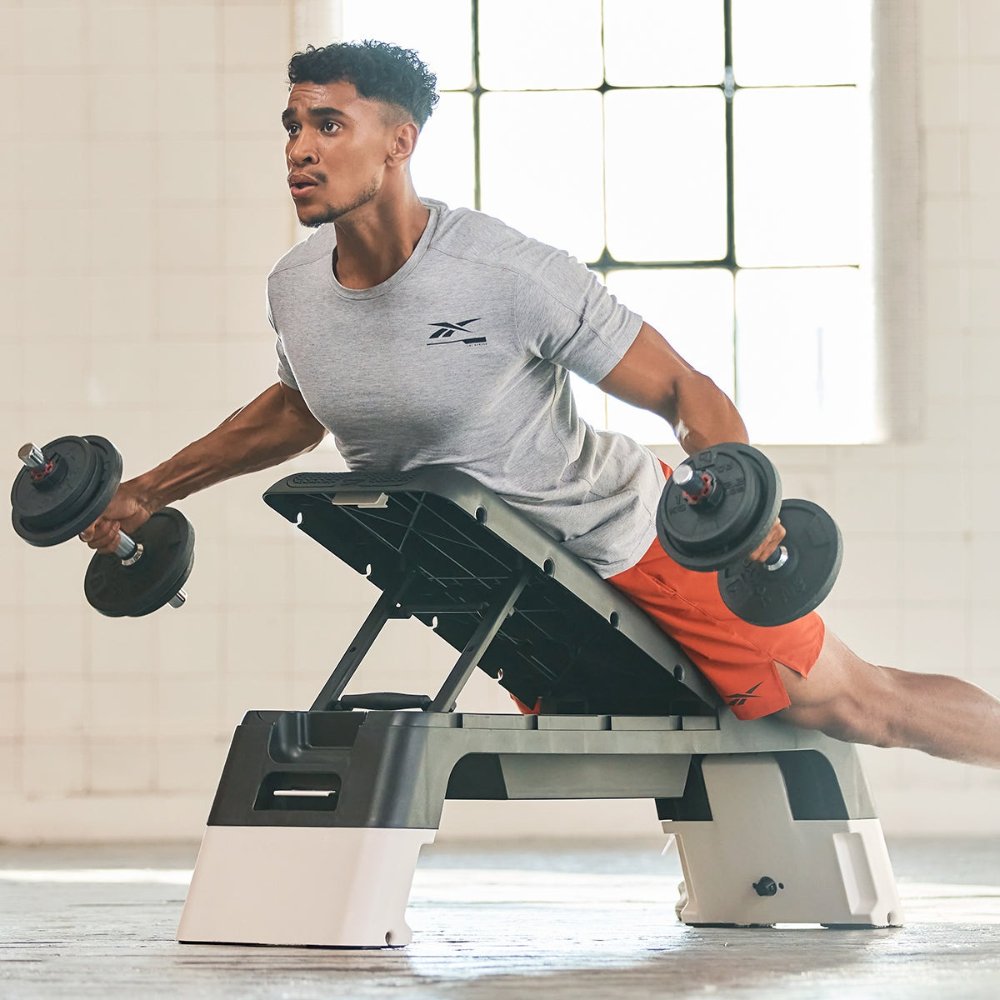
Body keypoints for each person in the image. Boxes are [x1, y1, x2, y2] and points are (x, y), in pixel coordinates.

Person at [81, 40, 1000, 768]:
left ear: (398, 143)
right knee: (681, 730)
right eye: (290, 128)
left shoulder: (504, 273)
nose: (299, 150)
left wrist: (737, 502)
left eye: (328, 125)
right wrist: (152, 490)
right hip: (499, 575)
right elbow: (296, 409)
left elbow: (685, 390)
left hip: (633, 541)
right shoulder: (295, 289)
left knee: (860, 706)